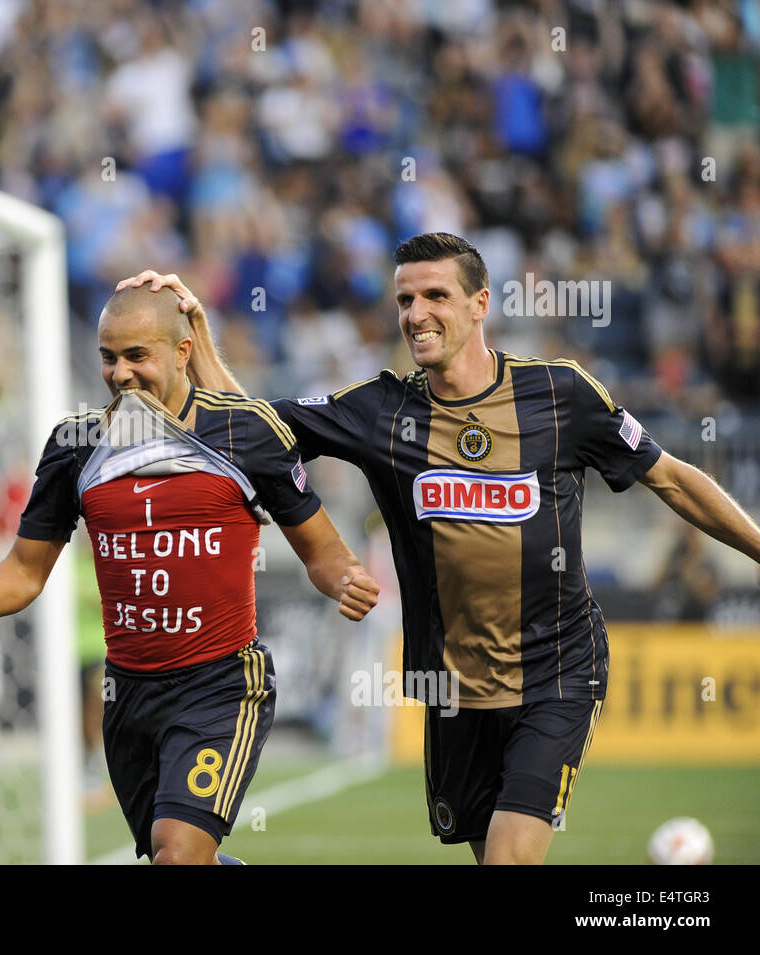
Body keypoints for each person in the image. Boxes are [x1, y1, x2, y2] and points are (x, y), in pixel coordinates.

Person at [118, 232, 760, 865]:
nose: (416, 314)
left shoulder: (561, 394)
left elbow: (671, 476)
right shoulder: (380, 410)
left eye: (435, 296)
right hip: (452, 687)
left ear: (480, 303)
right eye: (404, 300)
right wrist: (197, 339)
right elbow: (253, 432)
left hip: (556, 673)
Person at [0, 283, 380, 865]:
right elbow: (26, 570)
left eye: (137, 356)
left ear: (182, 354)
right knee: (169, 860)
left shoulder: (245, 432)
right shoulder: (77, 446)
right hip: (127, 694)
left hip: (222, 685)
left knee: (177, 852)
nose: (121, 373)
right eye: (109, 357)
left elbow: (322, 550)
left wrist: (345, 580)